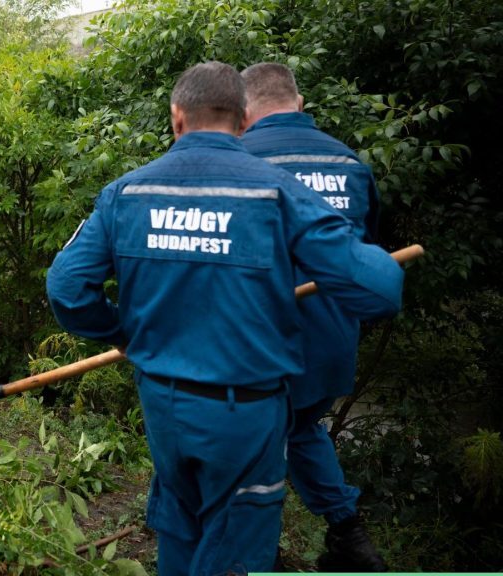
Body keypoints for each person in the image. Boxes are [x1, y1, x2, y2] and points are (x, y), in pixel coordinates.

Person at [45, 62, 405, 575]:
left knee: (180, 528)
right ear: (242, 121)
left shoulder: (127, 192)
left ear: (176, 118)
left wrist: (125, 333)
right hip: (245, 413)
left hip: (163, 405)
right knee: (235, 547)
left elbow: (66, 288)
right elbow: (379, 287)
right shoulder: (277, 192)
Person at [240, 62, 388, 571]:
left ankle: (257, 554)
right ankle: (349, 534)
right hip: (330, 343)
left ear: (243, 113)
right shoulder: (349, 162)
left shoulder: (238, 161)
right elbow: (363, 258)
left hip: (261, 343)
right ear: (298, 104)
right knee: (302, 428)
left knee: (249, 445)